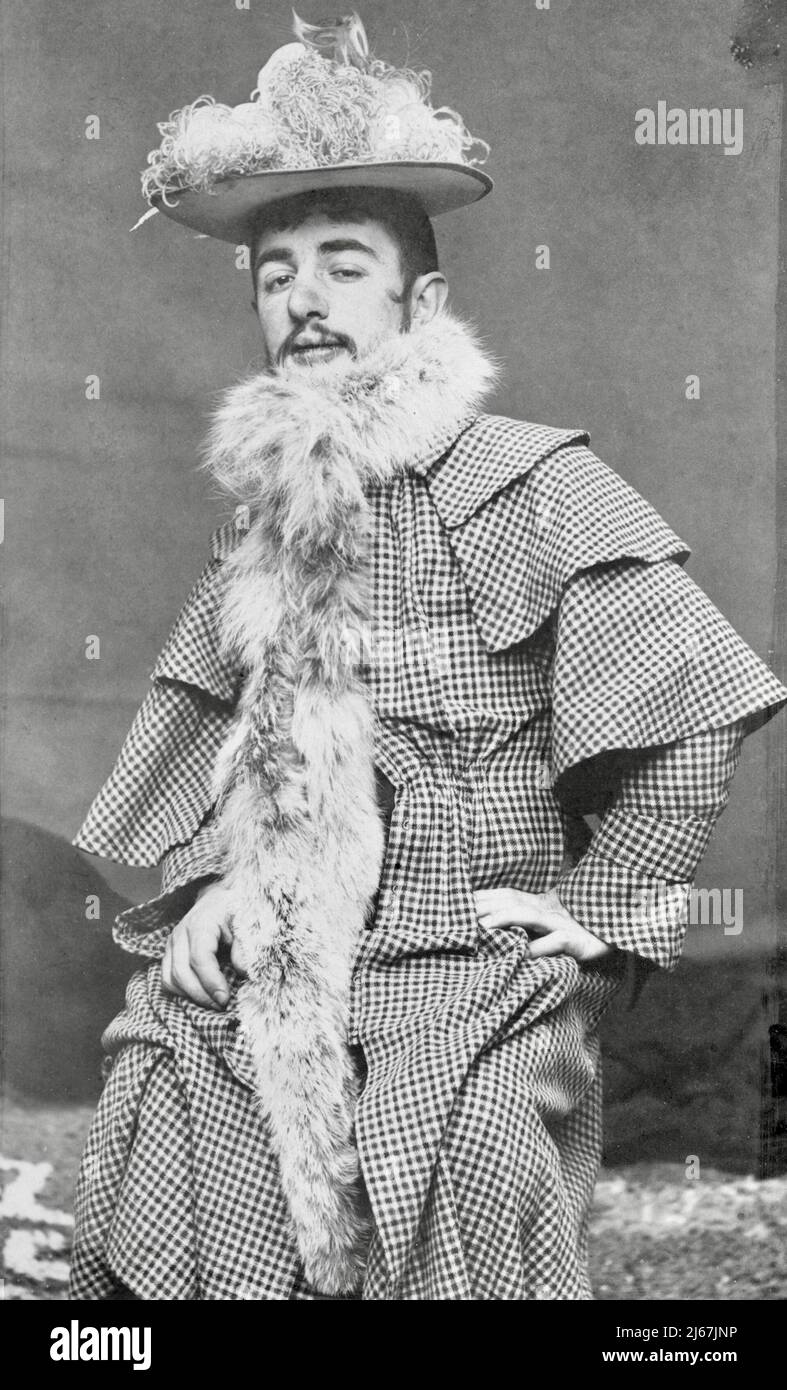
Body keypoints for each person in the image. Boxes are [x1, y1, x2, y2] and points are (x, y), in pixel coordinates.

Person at [69, 14, 787, 1301]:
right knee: (163, 1067)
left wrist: (595, 905)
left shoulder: (528, 480)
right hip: (291, 938)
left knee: (444, 1151)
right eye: (274, 271)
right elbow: (238, 743)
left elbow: (701, 701)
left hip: (466, 961)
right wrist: (214, 892)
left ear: (421, 302)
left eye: (342, 264)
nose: (302, 297)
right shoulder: (265, 514)